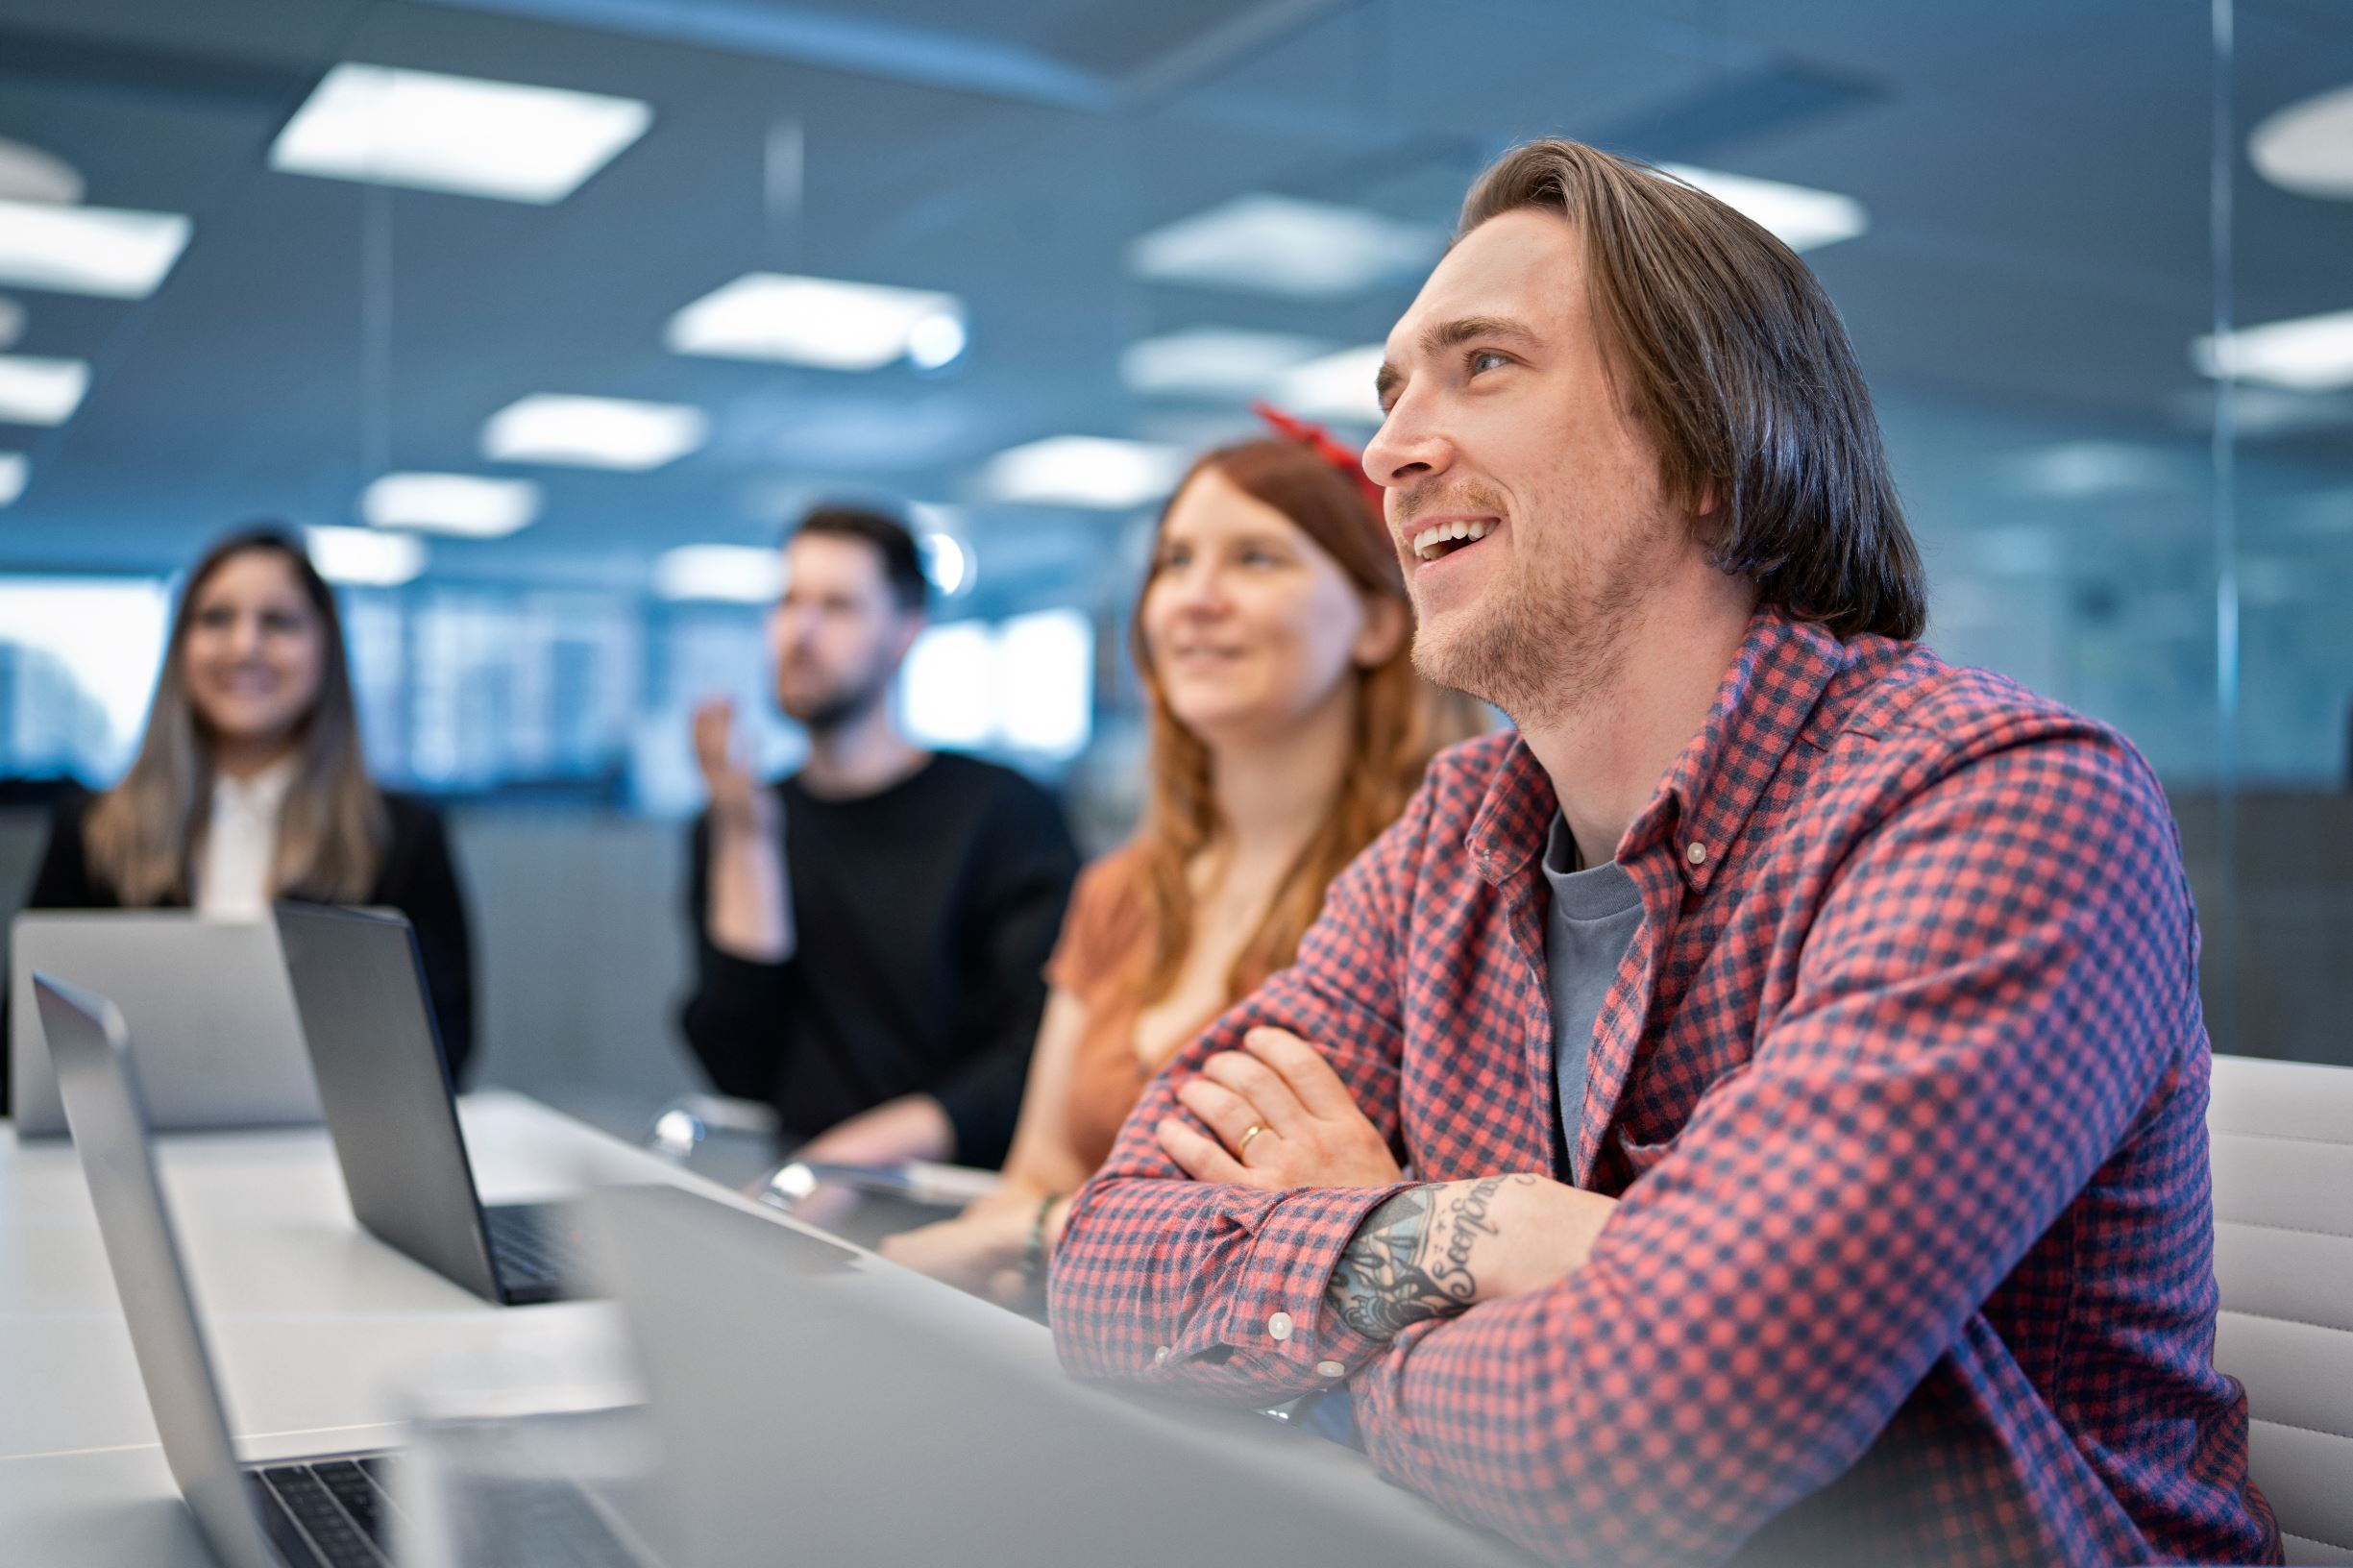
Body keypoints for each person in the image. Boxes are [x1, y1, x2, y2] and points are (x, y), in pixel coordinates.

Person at [1047, 140, 2278, 1567]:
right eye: (1392, 393)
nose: (1389, 450)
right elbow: (1104, 1266)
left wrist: (1329, 1327)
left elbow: (1656, 1436)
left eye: (1483, 365)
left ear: (1708, 449)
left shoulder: (1997, 806)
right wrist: (1488, 1231)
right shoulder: (1454, 835)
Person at [881, 422, 1482, 1300]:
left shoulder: (1428, 898)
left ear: (1378, 621)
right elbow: (1034, 1173)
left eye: (1255, 559)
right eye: (1173, 562)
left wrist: (1039, 1234)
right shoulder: (1121, 893)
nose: (1195, 599)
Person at [9, 527, 474, 1112]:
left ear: (326, 649)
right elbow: (26, 1048)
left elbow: (446, 1049)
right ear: (181, 647)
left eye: (279, 622)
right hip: (128, 1170)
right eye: (216, 618)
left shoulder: (403, 837)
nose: (244, 646)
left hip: (328, 1170)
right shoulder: (91, 832)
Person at [680, 506, 1079, 1170]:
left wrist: (850, 1161)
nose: (800, 632)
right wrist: (746, 845)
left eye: (837, 607)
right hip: (798, 1200)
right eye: (788, 601)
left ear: (905, 632)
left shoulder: (1002, 813)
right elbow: (740, 1067)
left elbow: (1036, 1058)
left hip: (953, 1202)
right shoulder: (738, 821)